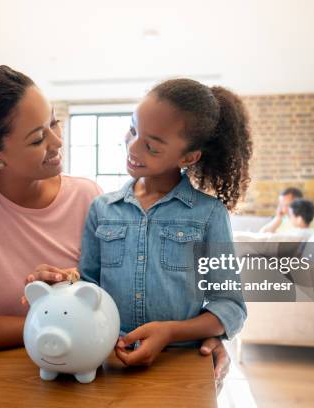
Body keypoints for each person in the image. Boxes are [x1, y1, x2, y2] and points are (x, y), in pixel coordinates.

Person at [0, 66, 229, 381]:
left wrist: (203, 336)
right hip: (3, 378)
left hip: (94, 375)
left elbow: (135, 294)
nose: (57, 142)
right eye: (36, 140)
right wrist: (48, 321)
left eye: (54, 123)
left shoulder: (91, 197)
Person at [74, 78, 251, 367]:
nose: (132, 148)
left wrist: (171, 332)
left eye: (152, 147)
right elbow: (87, 287)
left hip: (180, 361)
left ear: (188, 157)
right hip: (107, 357)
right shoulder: (102, 209)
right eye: (133, 129)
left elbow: (230, 305)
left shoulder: (209, 214)